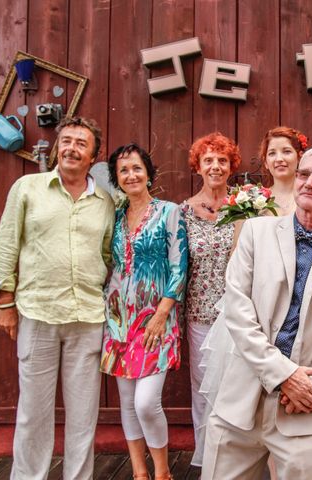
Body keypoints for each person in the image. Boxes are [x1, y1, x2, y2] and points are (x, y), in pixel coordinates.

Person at [202, 146, 312, 479]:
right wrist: (283, 375)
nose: (309, 182)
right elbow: (237, 311)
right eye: (304, 174)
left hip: (306, 406)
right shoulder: (255, 233)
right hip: (242, 397)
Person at [0, 117, 115, 479]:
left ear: (93, 156)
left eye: (80, 144)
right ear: (57, 148)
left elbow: (107, 256)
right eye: (66, 141)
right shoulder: (28, 188)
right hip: (38, 312)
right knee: (33, 412)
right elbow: (6, 243)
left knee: (84, 413)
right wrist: (5, 302)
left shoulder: (105, 201)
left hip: (87, 317)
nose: (71, 148)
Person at [100, 144, 188, 480]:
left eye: (137, 168)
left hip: (156, 319)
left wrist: (163, 314)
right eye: (123, 171)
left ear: (148, 174)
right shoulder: (116, 217)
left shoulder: (169, 211)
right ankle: (139, 472)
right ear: (117, 179)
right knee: (126, 402)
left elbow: (180, 267)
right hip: (119, 318)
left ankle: (163, 472)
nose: (131, 175)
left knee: (145, 403)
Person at [182, 132, 241, 467]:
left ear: (231, 166)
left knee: (236, 389)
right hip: (201, 314)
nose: (215, 166)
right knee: (203, 391)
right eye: (209, 160)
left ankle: (236, 460)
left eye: (222, 160)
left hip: (238, 314)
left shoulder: (247, 204)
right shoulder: (183, 212)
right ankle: (208, 462)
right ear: (198, 166)